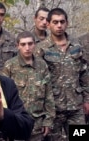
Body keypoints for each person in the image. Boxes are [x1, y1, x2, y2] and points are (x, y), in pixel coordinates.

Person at [34, 8, 89, 140]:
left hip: (76, 108)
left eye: (62, 22)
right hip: (53, 110)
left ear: (67, 23)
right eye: (55, 22)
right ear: (48, 24)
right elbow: (38, 81)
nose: (59, 25)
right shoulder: (41, 49)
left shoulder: (77, 46)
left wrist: (87, 100)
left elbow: (85, 74)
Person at [2, 31, 55, 141]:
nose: (27, 48)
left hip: (37, 124)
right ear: (17, 46)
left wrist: (48, 120)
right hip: (17, 123)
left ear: (34, 44)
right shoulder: (10, 66)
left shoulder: (42, 65)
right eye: (23, 44)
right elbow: (3, 96)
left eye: (30, 44)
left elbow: (48, 94)